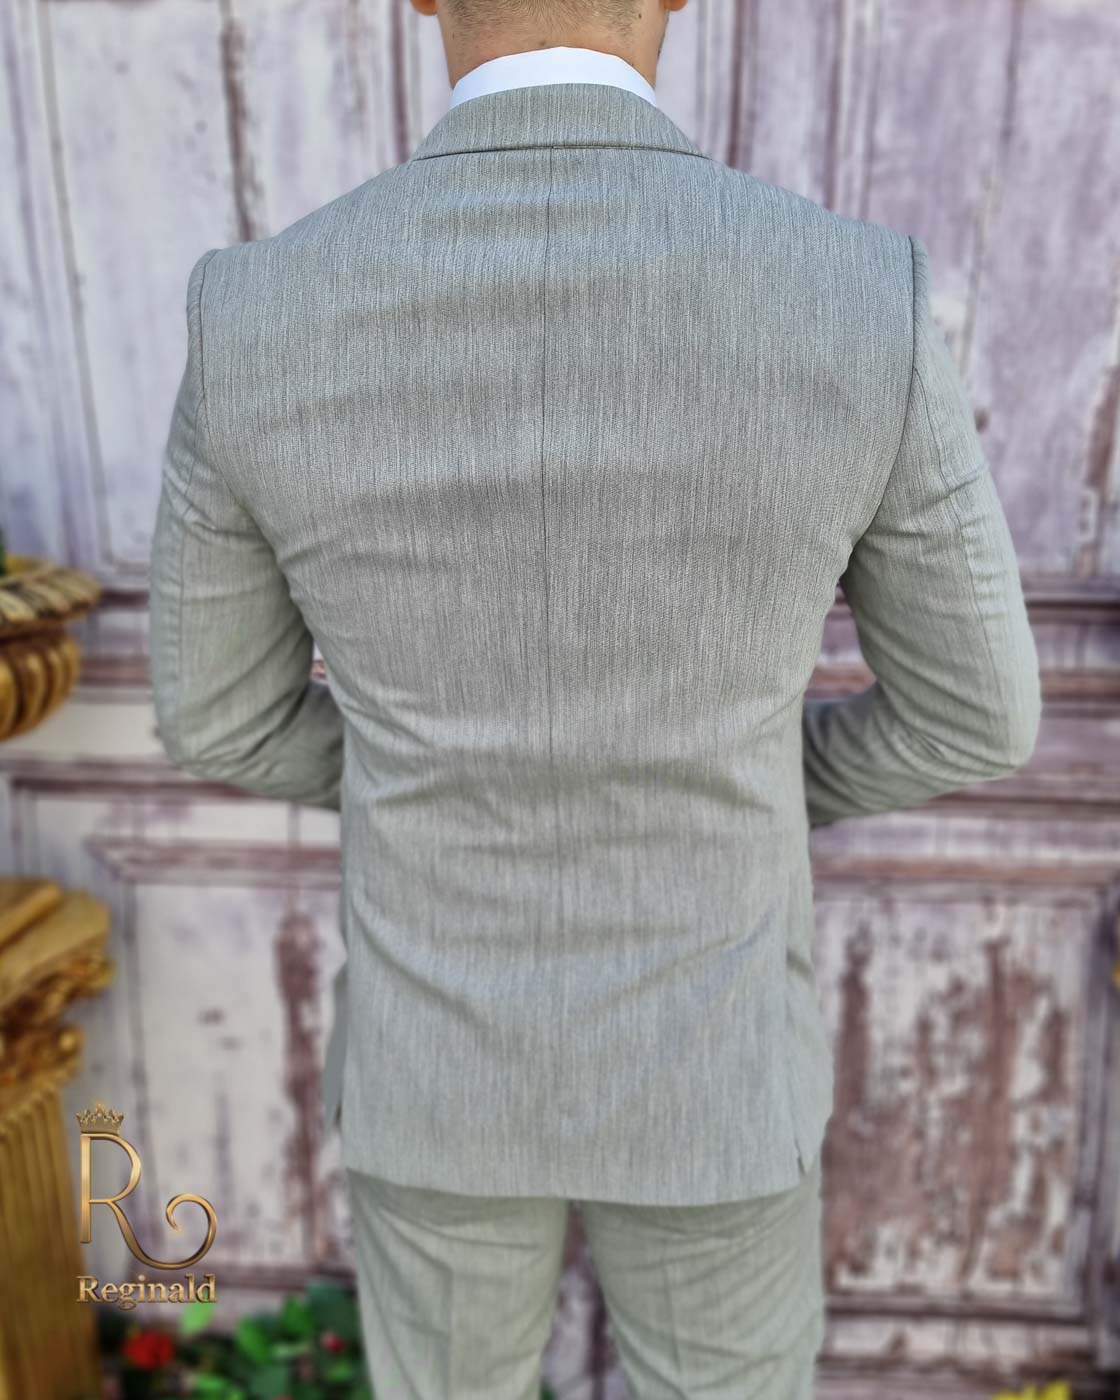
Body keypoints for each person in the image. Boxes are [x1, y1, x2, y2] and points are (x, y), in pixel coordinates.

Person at [148, 0, 1041, 1394]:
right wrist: (747, 774)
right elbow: (977, 710)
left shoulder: (258, 312)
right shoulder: (853, 293)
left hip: (437, 1071)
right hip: (715, 1065)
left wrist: (426, 769)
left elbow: (219, 715)